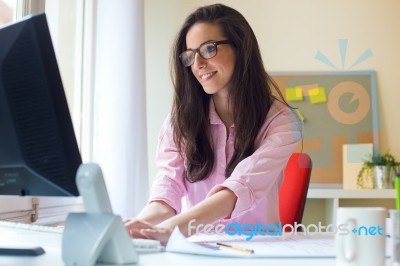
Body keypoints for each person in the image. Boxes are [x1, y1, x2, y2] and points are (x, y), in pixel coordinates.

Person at [125, 3, 303, 245]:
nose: (197, 63)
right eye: (190, 55)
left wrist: (172, 230)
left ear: (240, 48)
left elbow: (239, 188)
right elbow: (168, 186)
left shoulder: (281, 121)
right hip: (196, 248)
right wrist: (140, 225)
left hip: (257, 250)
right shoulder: (180, 119)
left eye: (209, 49)